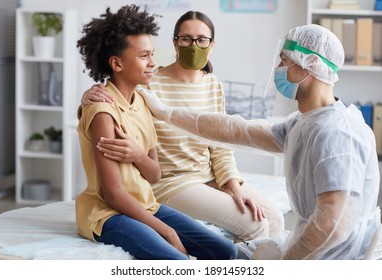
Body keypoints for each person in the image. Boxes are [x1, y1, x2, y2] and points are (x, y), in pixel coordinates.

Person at [135, 24, 381, 260]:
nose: (279, 67)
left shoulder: (335, 133)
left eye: (285, 60)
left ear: (311, 65)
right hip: (318, 253)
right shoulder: (305, 122)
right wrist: (167, 113)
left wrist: (286, 262)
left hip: (332, 260)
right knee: (232, 254)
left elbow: (332, 225)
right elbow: (237, 130)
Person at [80, 10, 284, 243]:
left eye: (201, 40)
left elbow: (221, 145)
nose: (193, 46)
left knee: (275, 219)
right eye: (186, 39)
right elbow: (117, 97)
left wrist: (232, 185)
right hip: (171, 182)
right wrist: (89, 94)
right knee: (255, 225)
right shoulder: (148, 82)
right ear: (175, 43)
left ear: (212, 45)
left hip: (208, 177)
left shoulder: (213, 85)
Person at [75, 4, 237, 260]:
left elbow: (154, 175)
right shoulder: (103, 113)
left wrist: (138, 156)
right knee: (177, 262)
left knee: (227, 251)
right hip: (108, 214)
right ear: (116, 63)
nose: (153, 63)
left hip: (145, 204)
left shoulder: (143, 101)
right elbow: (112, 194)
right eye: (144, 57)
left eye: (152, 55)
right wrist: (168, 232)